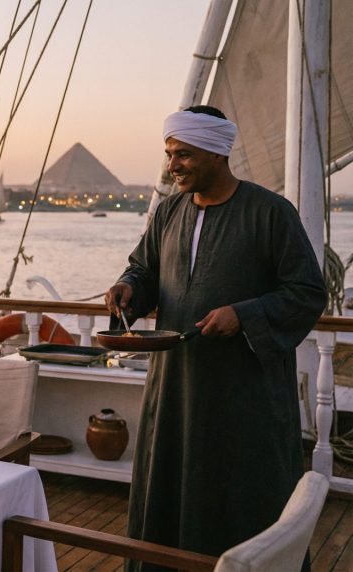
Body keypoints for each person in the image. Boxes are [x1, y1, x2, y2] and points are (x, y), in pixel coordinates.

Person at [104, 106, 327, 565]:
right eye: (169, 154)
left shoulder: (271, 213)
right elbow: (145, 269)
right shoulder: (168, 213)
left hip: (244, 401)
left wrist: (244, 315)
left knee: (241, 500)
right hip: (174, 392)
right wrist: (129, 288)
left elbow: (307, 293)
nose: (173, 166)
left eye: (183, 154)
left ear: (217, 152)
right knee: (168, 498)